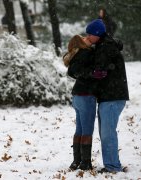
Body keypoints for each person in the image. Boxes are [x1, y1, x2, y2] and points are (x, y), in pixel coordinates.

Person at [85, 19, 129, 173]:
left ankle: (112, 166)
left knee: (107, 133)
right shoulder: (103, 46)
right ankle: (111, 164)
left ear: (97, 34)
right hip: (109, 96)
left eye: (89, 34)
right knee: (106, 132)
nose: (88, 37)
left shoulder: (105, 47)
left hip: (112, 96)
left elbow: (99, 70)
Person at [64, 34, 107, 171]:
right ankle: (85, 162)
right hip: (86, 95)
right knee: (87, 130)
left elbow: (72, 72)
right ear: (80, 43)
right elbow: (81, 71)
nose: (86, 38)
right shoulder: (86, 53)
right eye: (83, 38)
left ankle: (76, 161)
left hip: (77, 96)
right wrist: (93, 73)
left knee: (80, 129)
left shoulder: (75, 55)